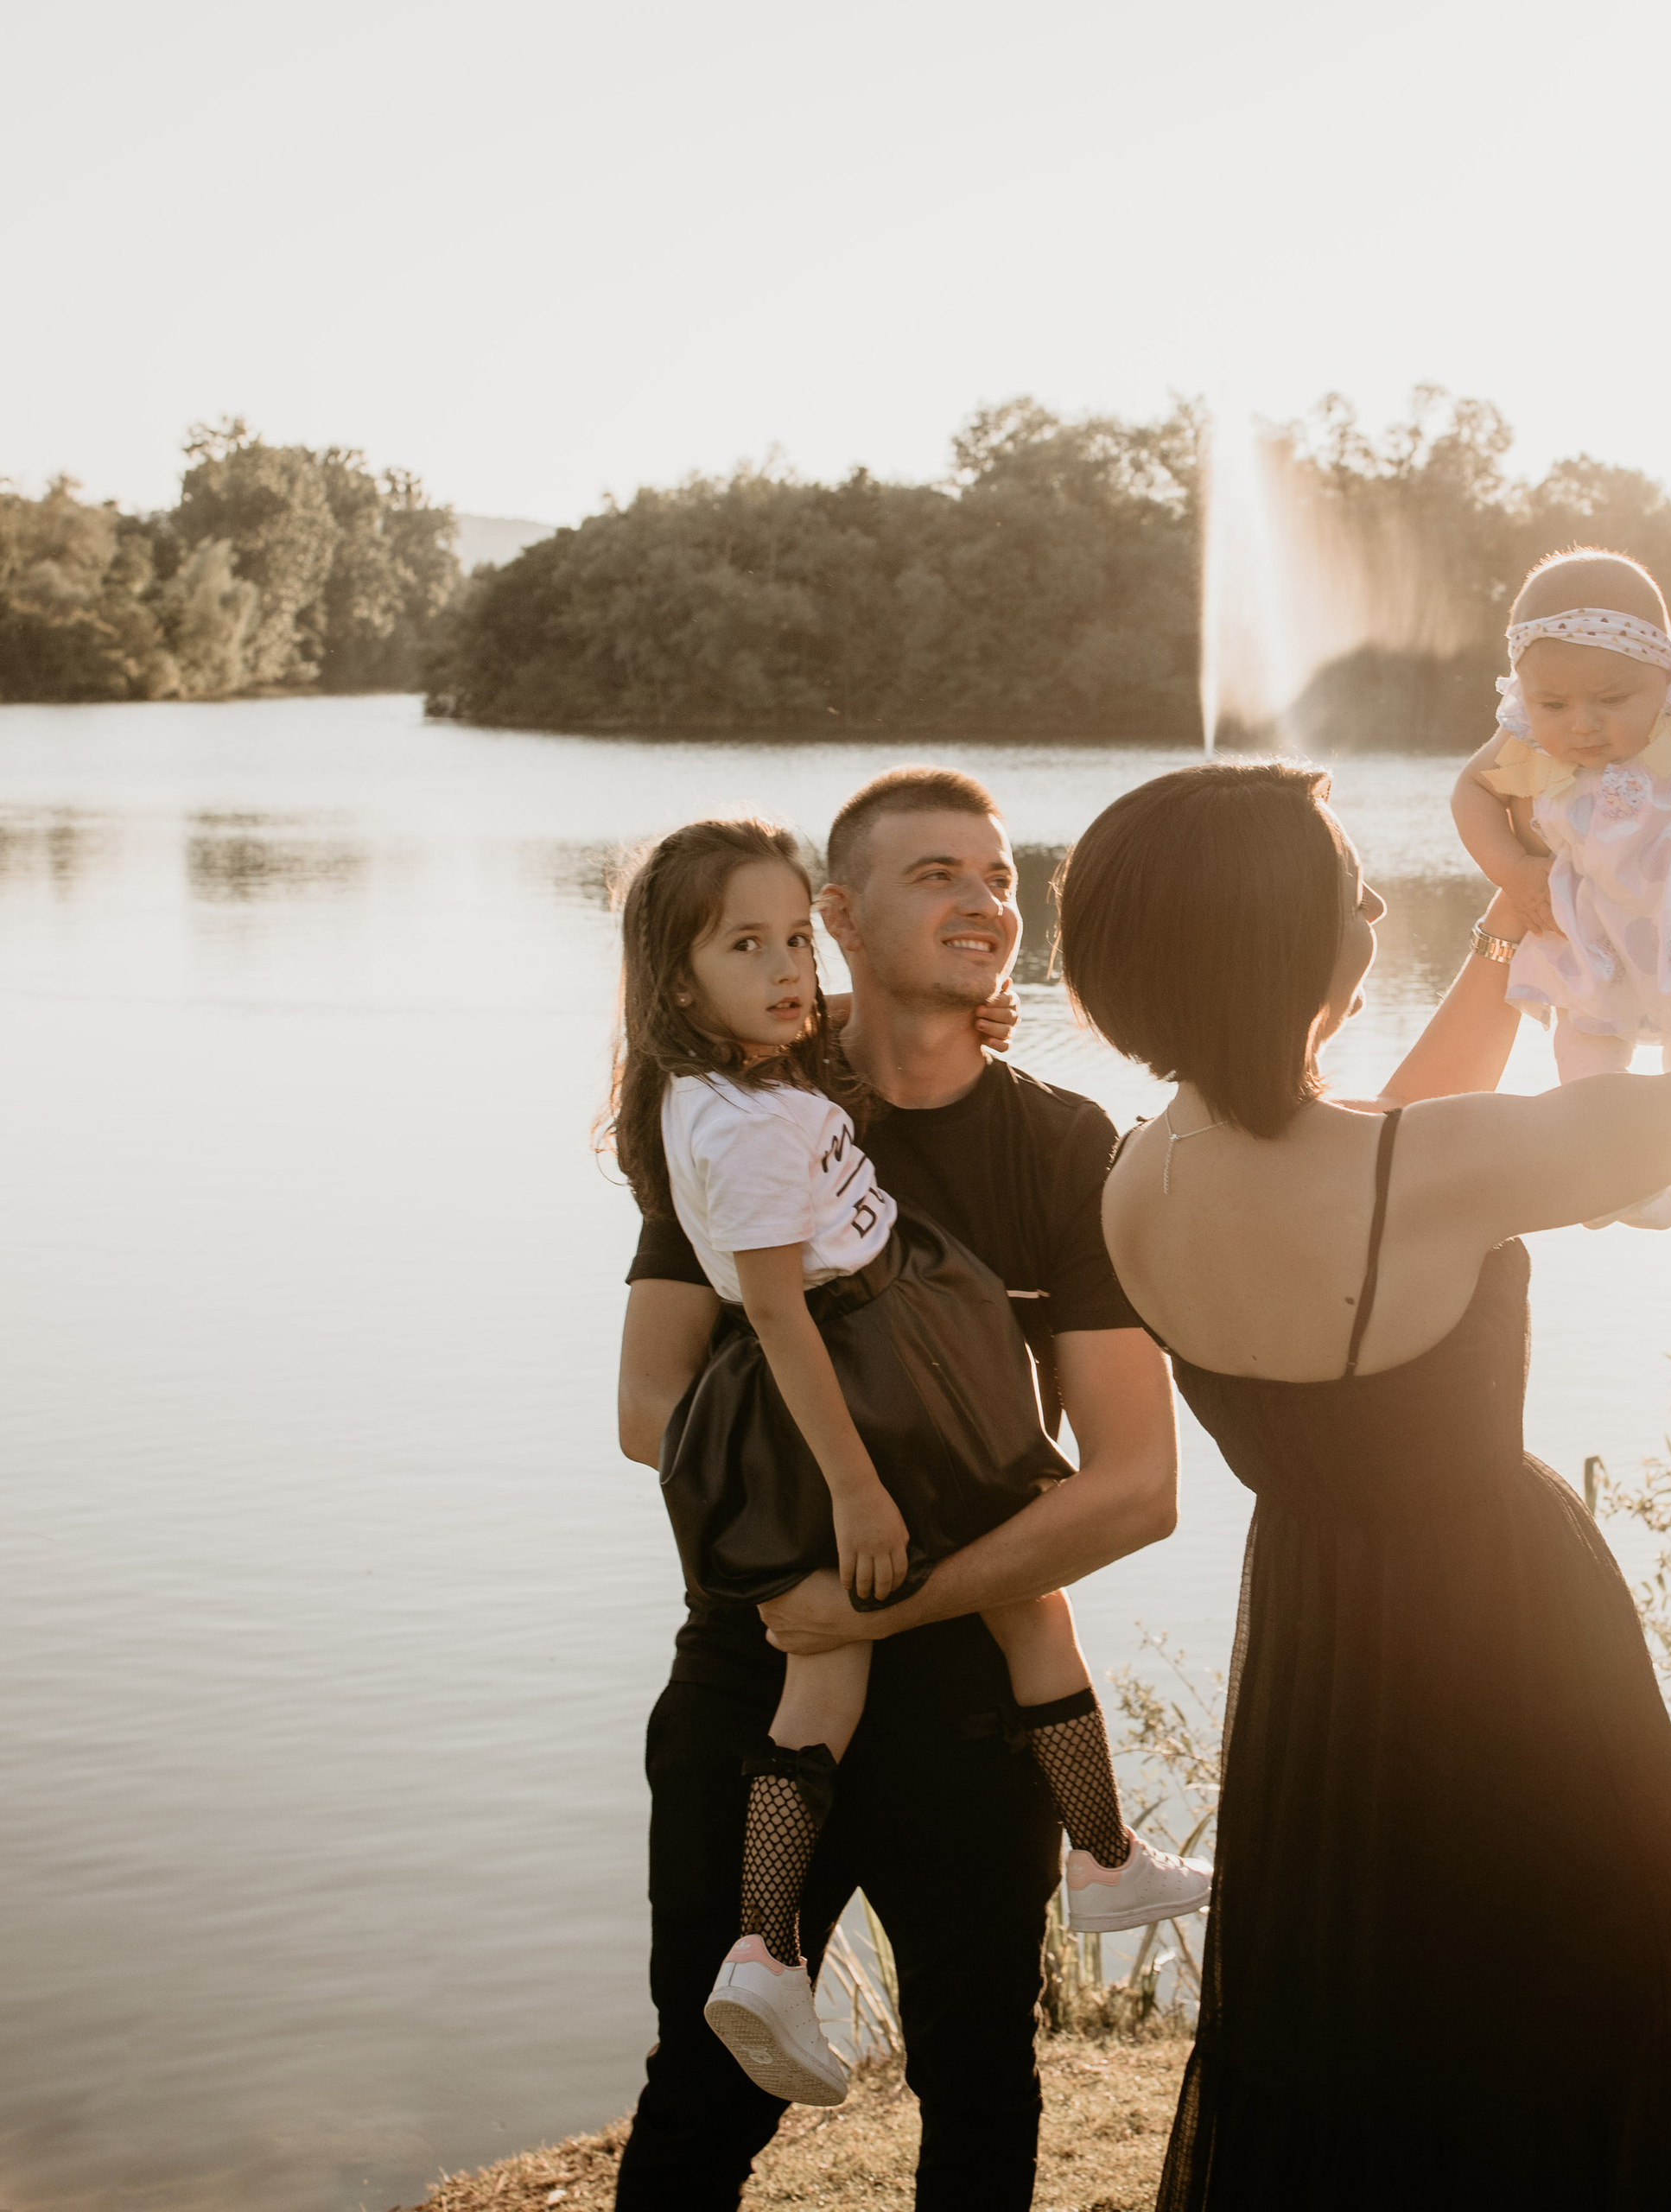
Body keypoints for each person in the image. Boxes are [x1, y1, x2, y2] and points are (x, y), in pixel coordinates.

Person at [1054, 758, 1671, 2209]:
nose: (1376, 894)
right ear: (1272, 937)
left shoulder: (1139, 1177)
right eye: (1348, 882)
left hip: (1321, 1656)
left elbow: (1377, 1146)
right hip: (1509, 1648)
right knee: (1554, 2015)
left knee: (1356, 2026)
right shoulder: (1420, 1173)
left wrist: (1508, 936)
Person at [612, 767, 1180, 2211]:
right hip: (759, 1665)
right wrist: (796, 1581)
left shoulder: (1065, 1146)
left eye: (998, 876)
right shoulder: (757, 1108)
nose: (985, 900)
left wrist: (875, 1606)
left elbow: (1135, 1489)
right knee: (704, 2092)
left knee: (983, 2075)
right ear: (841, 916)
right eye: (939, 874)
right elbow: (646, 1409)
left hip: (970, 1699)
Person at [1451, 547, 1671, 1227]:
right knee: (1582, 1039)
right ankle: (1601, 1167)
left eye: (1612, 700)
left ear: (1664, 671)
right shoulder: (1524, 732)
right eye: (1553, 702)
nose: (1581, 722)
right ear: (1524, 690)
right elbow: (1471, 790)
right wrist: (1513, 869)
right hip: (1595, 928)